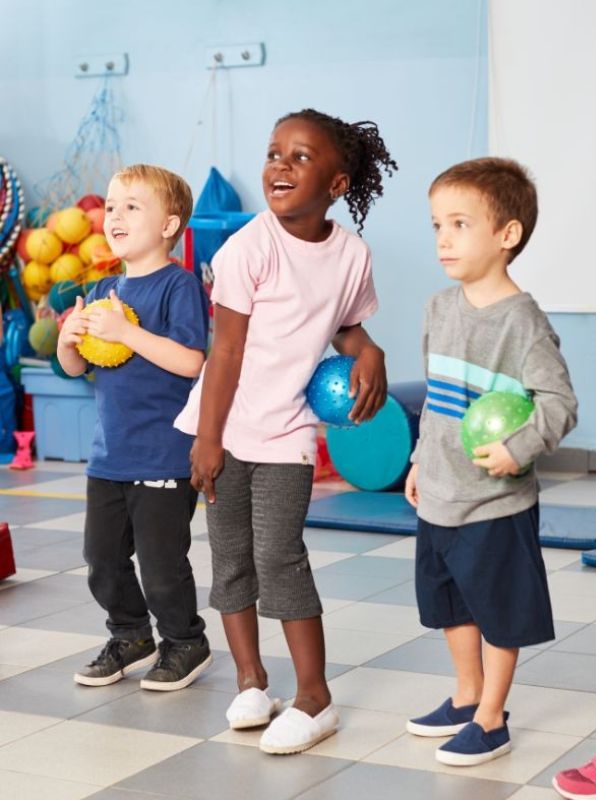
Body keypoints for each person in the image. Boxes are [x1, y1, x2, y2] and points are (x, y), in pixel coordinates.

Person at [175, 108, 397, 754]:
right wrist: (209, 438)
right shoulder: (248, 247)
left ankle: (314, 697)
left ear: (336, 184)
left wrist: (370, 350)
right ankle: (250, 681)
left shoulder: (350, 255)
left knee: (279, 556)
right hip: (224, 426)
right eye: (275, 153)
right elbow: (225, 351)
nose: (280, 166)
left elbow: (344, 325)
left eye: (301, 157)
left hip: (287, 432)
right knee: (230, 557)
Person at [404, 157, 577, 766]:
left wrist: (516, 449)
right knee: (450, 601)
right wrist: (420, 460)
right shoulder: (437, 308)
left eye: (460, 224)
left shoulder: (523, 324)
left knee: (499, 609)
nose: (443, 239)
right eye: (437, 225)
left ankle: (492, 718)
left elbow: (559, 404)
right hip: (441, 492)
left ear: (507, 234)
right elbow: (436, 400)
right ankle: (466, 695)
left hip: (495, 502)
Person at [57, 164, 211, 691]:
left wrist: (125, 331)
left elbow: (191, 361)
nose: (114, 215)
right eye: (111, 206)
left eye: (131, 206)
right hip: (110, 456)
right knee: (101, 559)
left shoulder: (179, 286)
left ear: (169, 225)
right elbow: (77, 367)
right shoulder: (105, 288)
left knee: (161, 563)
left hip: (164, 454)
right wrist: (68, 340)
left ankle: (185, 641)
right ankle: (130, 635)